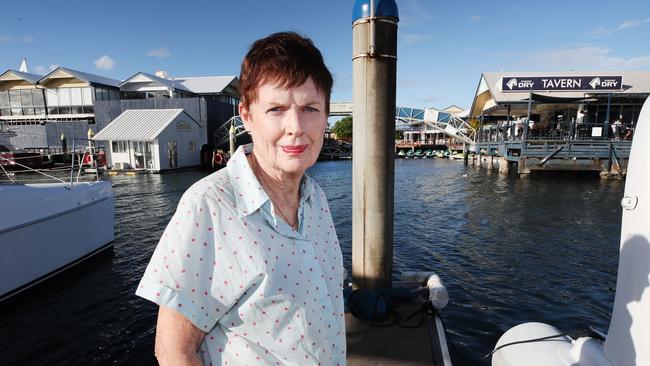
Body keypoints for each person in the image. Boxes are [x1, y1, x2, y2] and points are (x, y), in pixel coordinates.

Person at [136, 32, 346, 365]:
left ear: (326, 116)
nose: (295, 127)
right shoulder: (209, 205)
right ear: (247, 116)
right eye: (276, 109)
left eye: (310, 108)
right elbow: (174, 350)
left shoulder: (315, 198)